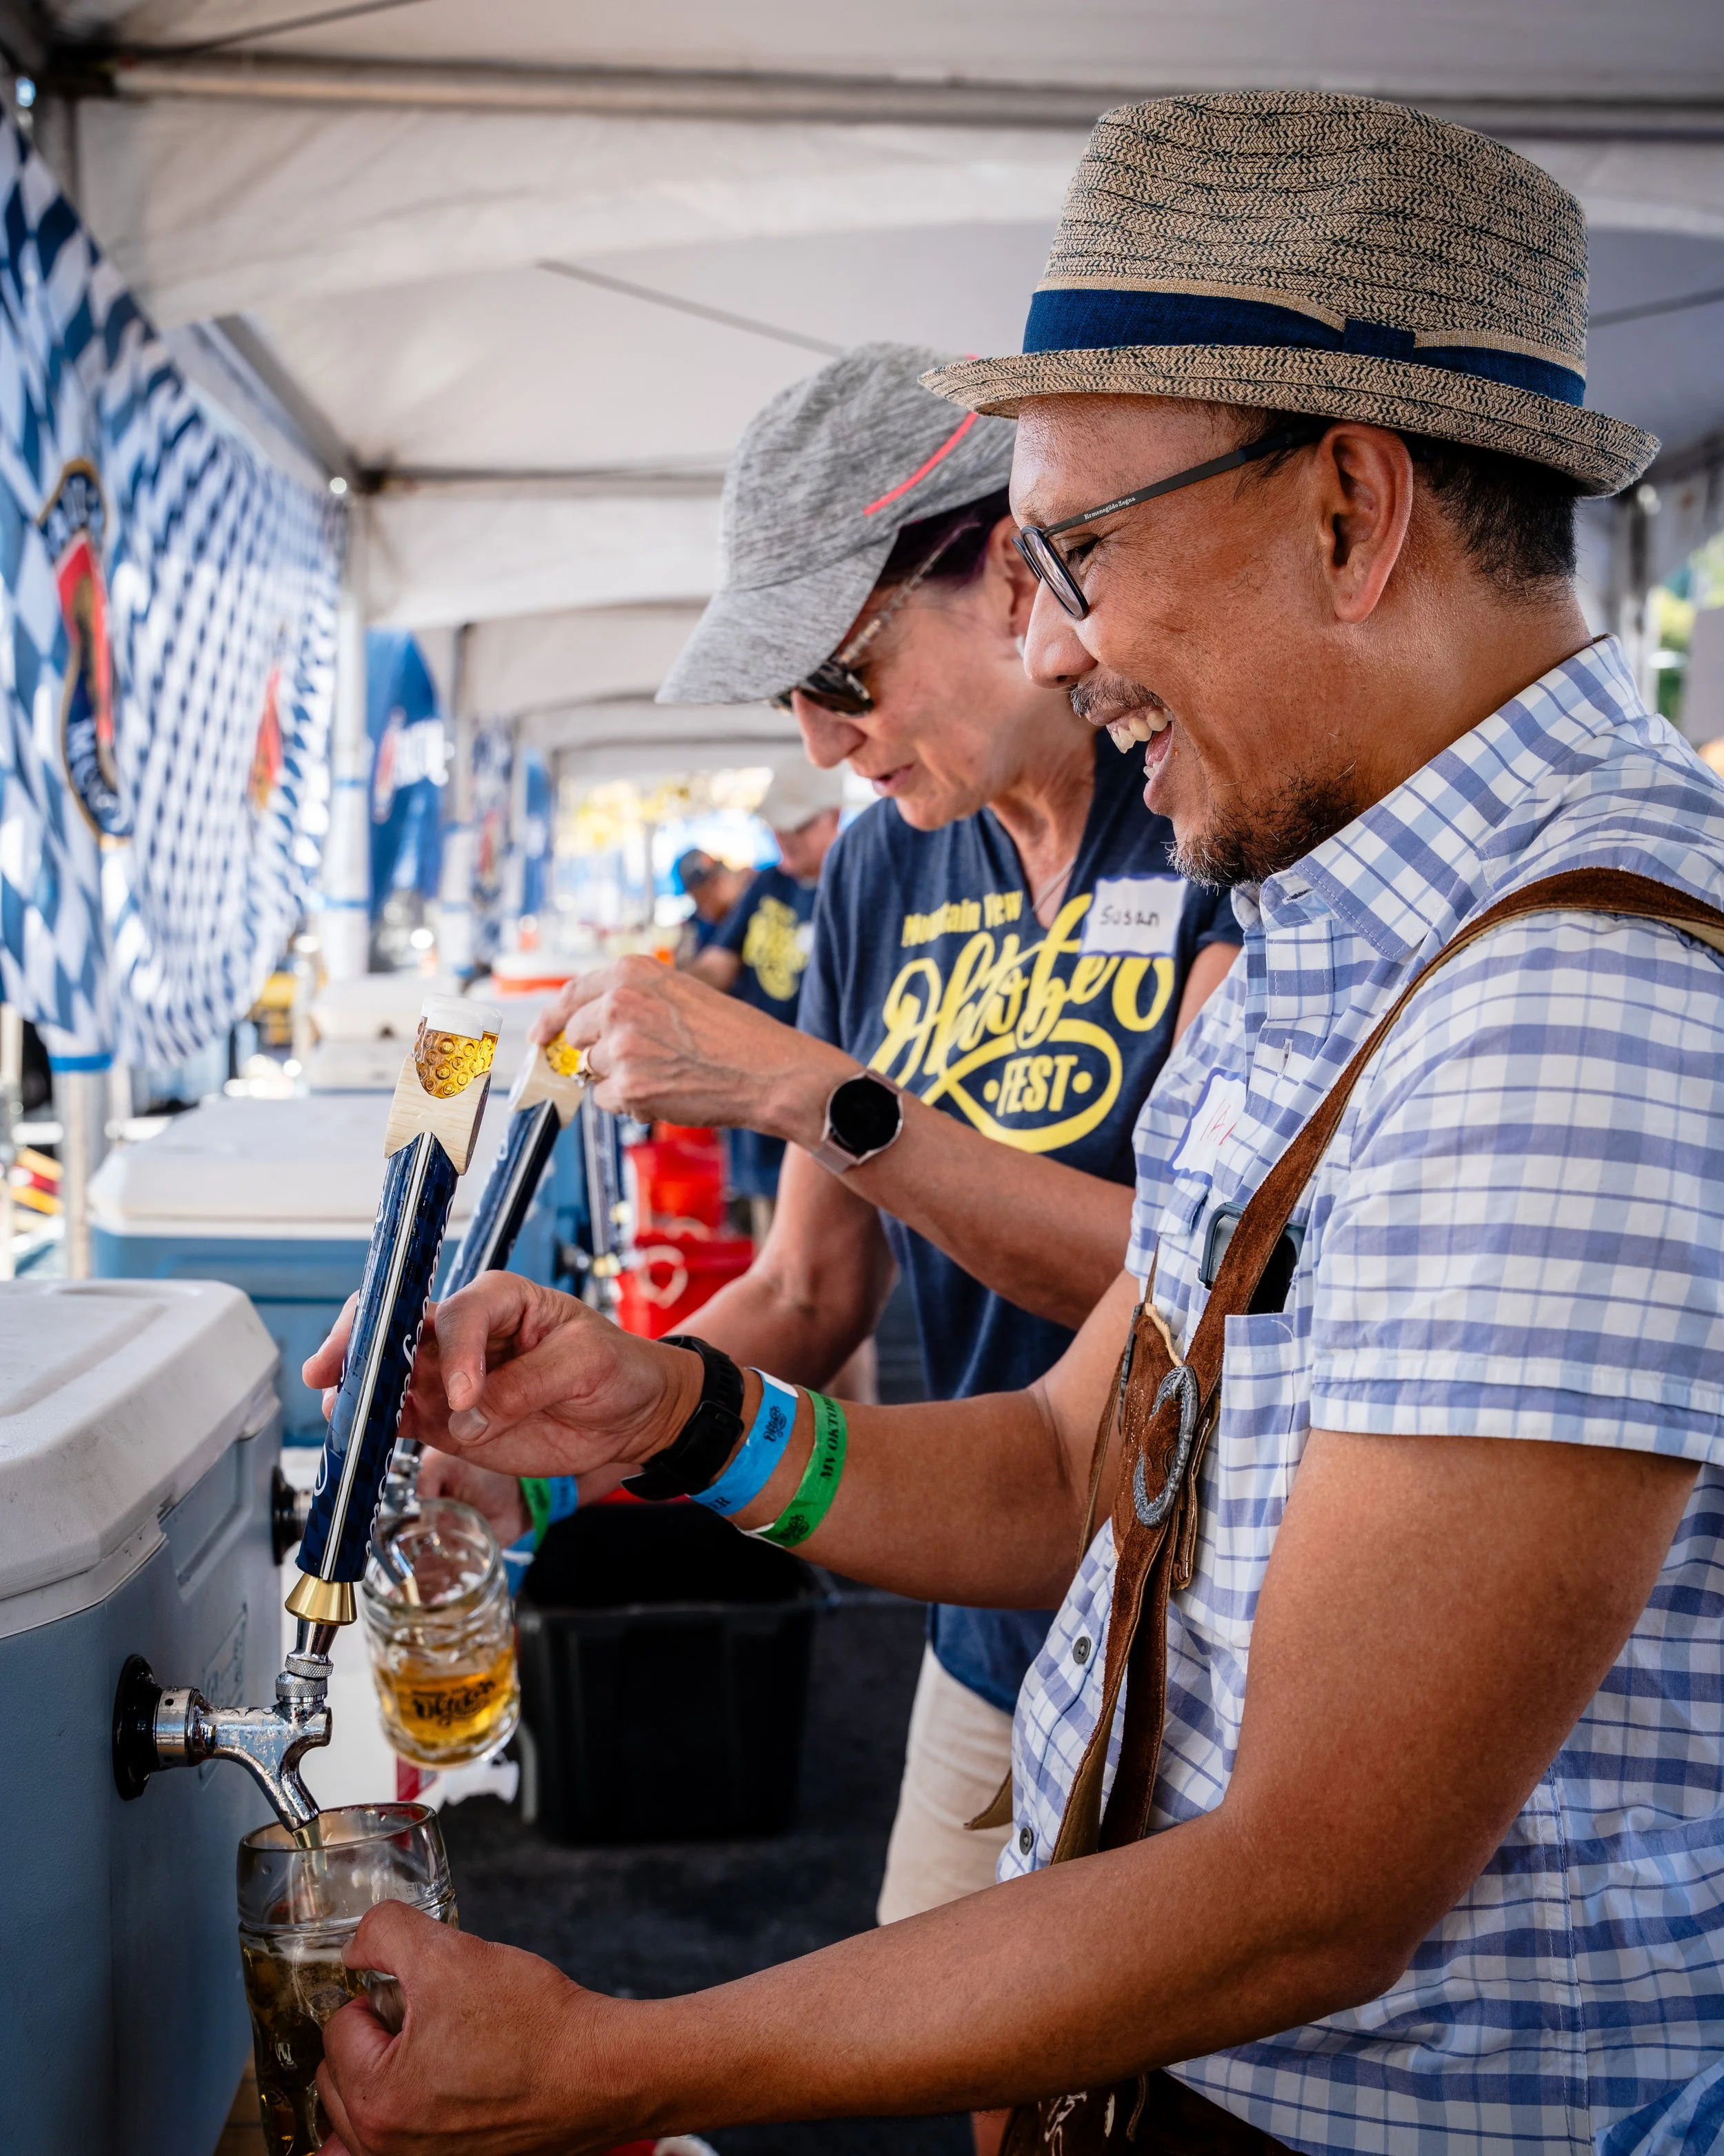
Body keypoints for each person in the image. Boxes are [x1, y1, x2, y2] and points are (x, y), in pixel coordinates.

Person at [305, 94, 1724, 2156]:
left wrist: (609, 2057)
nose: (1050, 639)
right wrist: (664, 1420)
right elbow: (1084, 1465)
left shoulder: (1563, 1001)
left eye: (1075, 552)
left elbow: (1309, 1894)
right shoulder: (1356, 929)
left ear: (1344, 509)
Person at [522, 342, 1239, 1955]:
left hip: (1198, 1637)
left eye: (841, 676)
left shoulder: (1208, 822)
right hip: (981, 1619)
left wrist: (820, 1096)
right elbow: (802, 1292)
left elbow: (1196, 1270)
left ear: (1006, 577)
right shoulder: (875, 875)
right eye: (791, 698)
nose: (823, 743)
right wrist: (548, 1416)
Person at [685, 760, 846, 1236]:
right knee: (766, 1235)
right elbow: (719, 963)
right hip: (756, 1089)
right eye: (778, 826)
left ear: (833, 816)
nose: (785, 837)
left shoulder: (852, 882)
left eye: (798, 825)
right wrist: (662, 985)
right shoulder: (769, 884)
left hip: (822, 1099)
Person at [672, 849, 750, 957]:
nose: (701, 909)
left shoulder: (752, 912)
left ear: (718, 883)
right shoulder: (700, 924)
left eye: (702, 899)